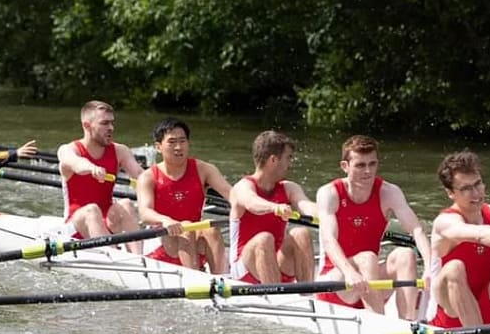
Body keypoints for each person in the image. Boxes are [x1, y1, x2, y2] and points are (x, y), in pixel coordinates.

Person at [315, 135, 431, 321]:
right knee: (367, 257)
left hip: (369, 281)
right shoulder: (329, 193)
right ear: (345, 166)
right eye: (360, 165)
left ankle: (409, 323)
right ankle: (380, 325)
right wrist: (349, 272)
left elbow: (417, 230)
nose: (368, 171)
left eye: (372, 164)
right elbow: (329, 240)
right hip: (338, 282)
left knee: (405, 254)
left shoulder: (389, 192)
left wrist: (429, 267)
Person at [136, 117, 233, 273]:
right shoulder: (148, 177)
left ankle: (222, 278)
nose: (178, 147)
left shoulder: (204, 169)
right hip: (163, 241)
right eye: (172, 142)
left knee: (211, 229)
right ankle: (196, 279)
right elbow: (144, 212)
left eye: (182, 141)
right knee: (186, 228)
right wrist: (165, 220)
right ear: (159, 147)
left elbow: (232, 195)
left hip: (193, 240)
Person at [228, 130, 317, 284]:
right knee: (264, 239)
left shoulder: (289, 188)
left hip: (276, 263)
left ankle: (308, 293)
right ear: (273, 160)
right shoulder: (243, 187)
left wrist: (331, 215)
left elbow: (306, 206)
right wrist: (274, 207)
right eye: (288, 158)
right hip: (245, 269)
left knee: (301, 233)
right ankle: (276, 297)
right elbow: (251, 203)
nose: (291, 163)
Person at [57, 100, 146, 253]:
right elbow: (77, 164)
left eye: (112, 123)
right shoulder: (67, 150)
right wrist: (92, 168)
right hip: (76, 225)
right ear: (87, 125)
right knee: (92, 210)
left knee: (126, 204)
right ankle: (112, 257)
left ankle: (139, 258)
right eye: (104, 123)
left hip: (108, 223)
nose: (111, 128)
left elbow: (141, 176)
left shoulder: (120, 150)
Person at [429, 150, 490, 327]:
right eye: (466, 188)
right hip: (451, 314)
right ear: (450, 193)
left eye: (478, 184)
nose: (476, 193)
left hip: (487, 304)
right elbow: (479, 234)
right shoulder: (445, 222)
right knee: (454, 268)